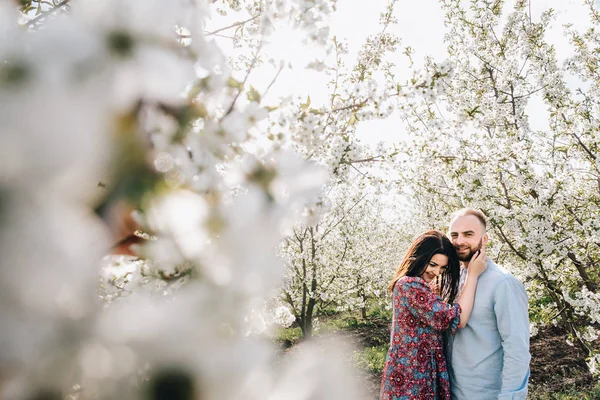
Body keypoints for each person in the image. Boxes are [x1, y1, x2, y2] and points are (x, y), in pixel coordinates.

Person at [380, 230, 487, 400]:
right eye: (432, 264)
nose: (437, 272)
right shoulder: (410, 285)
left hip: (418, 371)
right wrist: (472, 275)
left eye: (442, 268)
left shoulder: (420, 286)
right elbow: (457, 319)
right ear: (418, 257)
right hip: (413, 377)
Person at [446, 208, 530, 399]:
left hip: (486, 394)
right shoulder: (453, 280)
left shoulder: (503, 283)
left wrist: (510, 397)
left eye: (468, 234)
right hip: (452, 391)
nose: (459, 241)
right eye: (454, 235)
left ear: (484, 239)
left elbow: (516, 349)